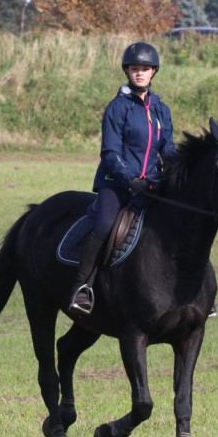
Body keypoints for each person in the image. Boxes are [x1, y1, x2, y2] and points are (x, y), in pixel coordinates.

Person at [69, 42, 177, 316]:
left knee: (180, 225)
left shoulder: (161, 110)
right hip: (115, 184)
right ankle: (83, 287)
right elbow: (110, 152)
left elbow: (168, 149)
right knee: (105, 225)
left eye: (144, 69)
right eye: (134, 69)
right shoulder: (117, 108)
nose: (139, 73)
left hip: (151, 185)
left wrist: (177, 172)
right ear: (127, 72)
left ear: (154, 72)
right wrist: (130, 179)